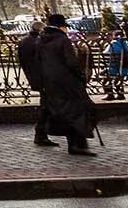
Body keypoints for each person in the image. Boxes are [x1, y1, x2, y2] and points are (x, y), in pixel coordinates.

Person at [36, 14, 96, 156]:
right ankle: (78, 144)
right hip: (68, 81)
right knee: (78, 110)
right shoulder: (62, 39)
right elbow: (71, 62)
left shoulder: (40, 40)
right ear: (61, 27)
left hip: (50, 82)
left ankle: (73, 143)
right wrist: (80, 75)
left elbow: (37, 61)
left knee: (63, 112)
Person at [16, 20, 52, 147]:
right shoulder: (39, 41)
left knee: (46, 104)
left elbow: (21, 59)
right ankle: (41, 133)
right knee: (47, 106)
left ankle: (41, 133)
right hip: (45, 77)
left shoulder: (24, 41)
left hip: (34, 77)